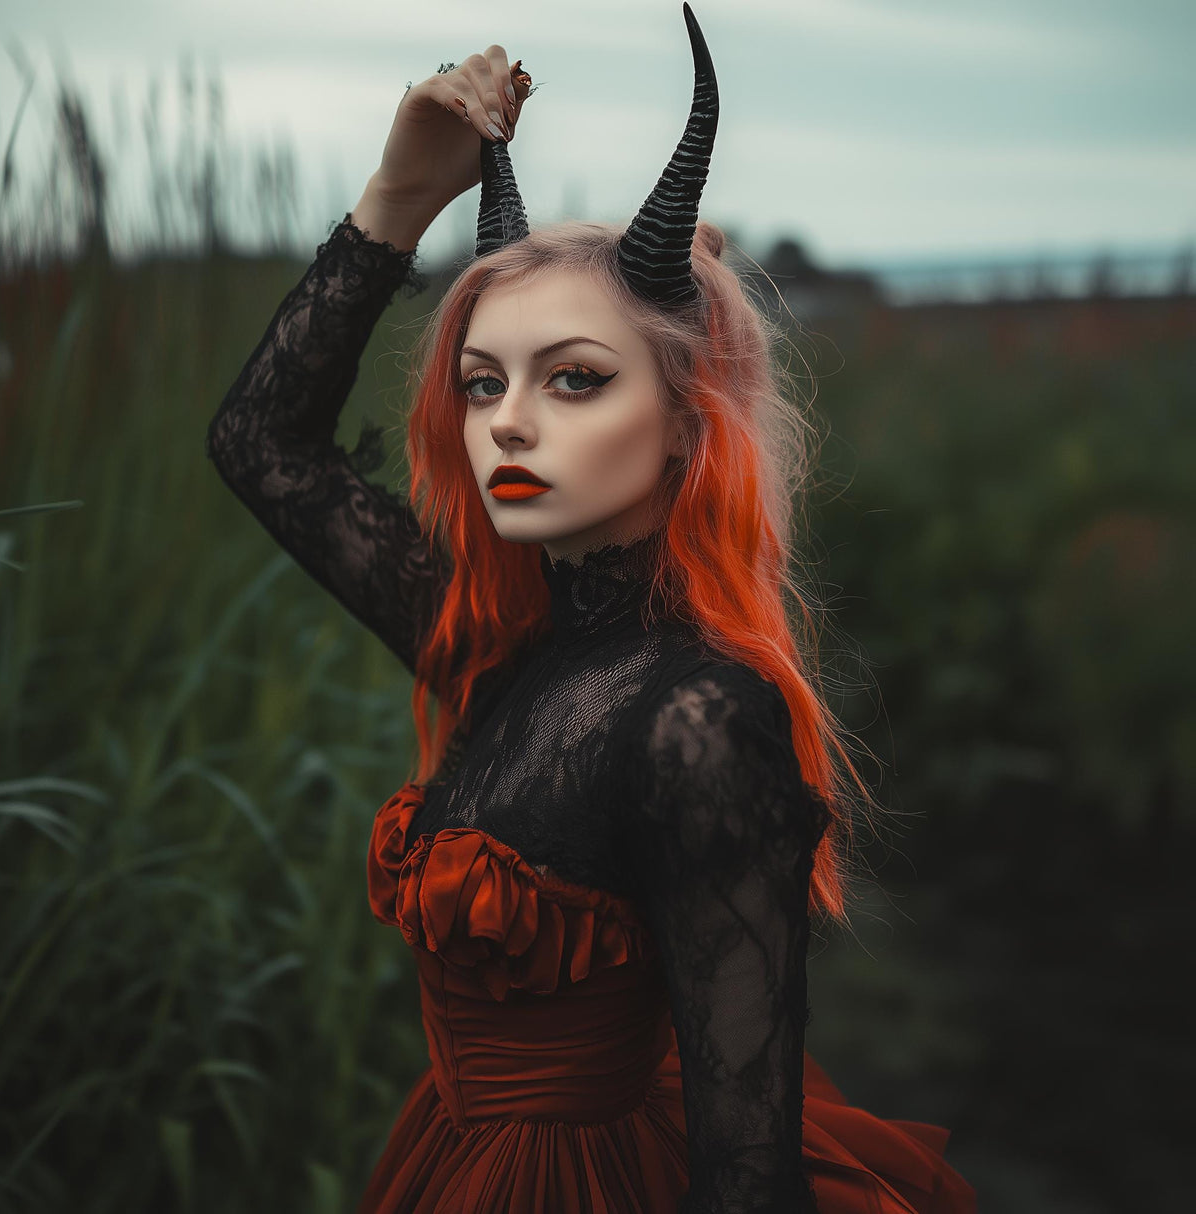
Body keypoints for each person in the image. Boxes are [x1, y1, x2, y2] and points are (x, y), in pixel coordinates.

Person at [205, 6, 979, 1211]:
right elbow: (260, 444)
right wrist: (399, 196)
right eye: (481, 380)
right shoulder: (499, 641)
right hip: (451, 1164)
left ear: (683, 421)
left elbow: (744, 1170)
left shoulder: (698, 717)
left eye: (574, 378)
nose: (506, 420)